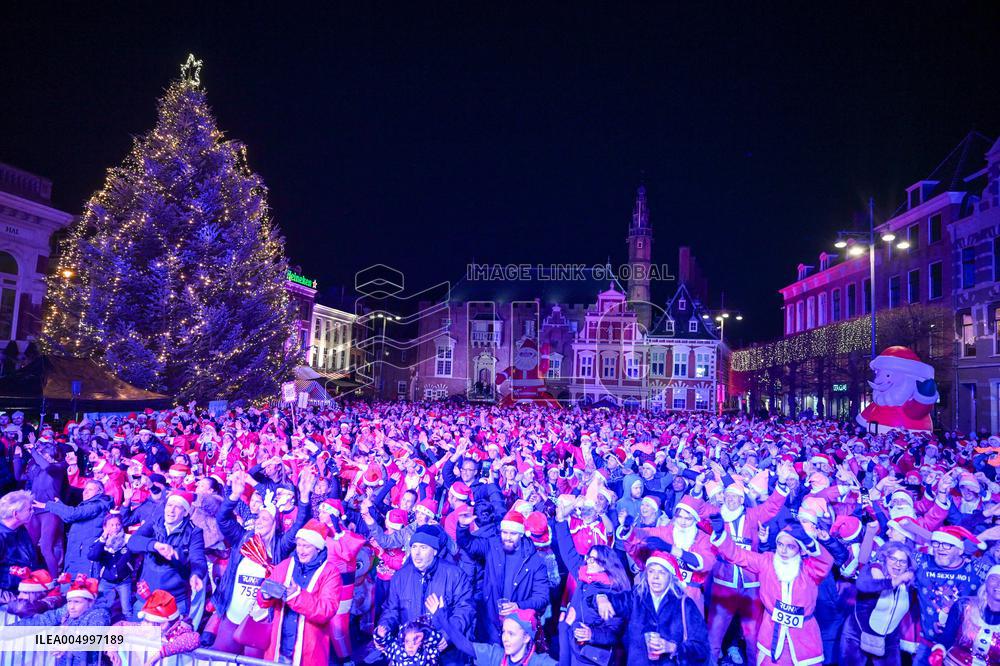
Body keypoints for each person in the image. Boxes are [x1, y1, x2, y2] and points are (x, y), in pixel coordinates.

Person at [710, 520, 833, 666]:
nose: (783, 550)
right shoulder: (767, 561)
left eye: (790, 546)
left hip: (804, 640)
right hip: (771, 636)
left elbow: (826, 562)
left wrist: (810, 543)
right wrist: (721, 535)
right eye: (780, 544)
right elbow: (738, 554)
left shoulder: (809, 569)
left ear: (800, 550)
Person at [378, 524, 475, 666]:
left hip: (445, 652)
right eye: (414, 547)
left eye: (423, 548)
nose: (417, 553)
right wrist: (384, 628)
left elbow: (465, 609)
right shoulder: (400, 576)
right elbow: (391, 610)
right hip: (411, 653)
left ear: (434, 551)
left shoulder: (455, 575)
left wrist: (448, 635)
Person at [456, 509, 551, 642]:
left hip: (516, 625)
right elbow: (469, 544)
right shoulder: (493, 545)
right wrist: (463, 527)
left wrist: (519, 605)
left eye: (513, 533)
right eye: (505, 532)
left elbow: (542, 597)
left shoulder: (535, 561)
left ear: (521, 534)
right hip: (489, 620)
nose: (507, 537)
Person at [256, 519, 342, 666]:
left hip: (308, 653)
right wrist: (265, 595)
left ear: (318, 548)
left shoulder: (330, 572)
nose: (301, 551)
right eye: (299, 545)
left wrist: (296, 596)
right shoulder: (286, 565)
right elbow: (263, 597)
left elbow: (326, 610)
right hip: (279, 649)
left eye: (306, 546)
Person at [127, 489, 207, 618]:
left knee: (169, 631)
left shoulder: (194, 532)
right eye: (169, 505)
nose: (171, 510)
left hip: (174, 599)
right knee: (139, 630)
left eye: (178, 507)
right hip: (146, 595)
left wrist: (196, 574)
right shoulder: (154, 522)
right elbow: (133, 542)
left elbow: (197, 559)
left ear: (185, 512)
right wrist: (155, 545)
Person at [839, 541, 917, 666]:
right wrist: (893, 582)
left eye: (902, 561)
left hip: (888, 641)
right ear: (885, 559)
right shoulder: (873, 571)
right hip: (856, 637)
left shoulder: (909, 586)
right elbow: (862, 585)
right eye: (893, 559)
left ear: (908, 565)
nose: (897, 564)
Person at [626, 551, 709, 666]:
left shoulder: (685, 604)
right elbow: (615, 603)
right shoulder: (636, 598)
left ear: (670, 576)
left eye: (662, 572)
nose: (655, 577)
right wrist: (602, 597)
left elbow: (702, 649)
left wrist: (673, 647)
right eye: (651, 571)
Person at [427, 593, 557, 666]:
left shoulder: (539, 663)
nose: (505, 638)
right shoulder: (496, 656)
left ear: (526, 637)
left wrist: (564, 631)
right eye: (504, 632)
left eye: (511, 634)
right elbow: (463, 644)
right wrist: (441, 617)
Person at [557, 544, 631, 666]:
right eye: (589, 558)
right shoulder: (584, 579)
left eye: (594, 559)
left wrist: (592, 634)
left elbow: (614, 633)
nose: (589, 562)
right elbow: (568, 553)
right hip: (574, 650)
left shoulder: (613, 592)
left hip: (592, 658)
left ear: (605, 564)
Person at [15, 574, 110, 666]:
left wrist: (67, 645)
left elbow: (91, 635)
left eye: (77, 602)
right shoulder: (67, 611)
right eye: (69, 601)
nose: (71, 607)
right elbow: (43, 620)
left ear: (90, 602)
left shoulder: (99, 614)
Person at [39, 478, 113, 578]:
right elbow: (69, 518)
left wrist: (48, 505)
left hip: (85, 554)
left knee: (85, 583)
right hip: (78, 551)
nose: (85, 492)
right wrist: (59, 505)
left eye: (90, 489)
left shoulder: (97, 504)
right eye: (85, 489)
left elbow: (73, 514)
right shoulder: (88, 505)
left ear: (99, 492)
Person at [929, 564, 1000, 666]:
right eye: (994, 578)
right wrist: (939, 651)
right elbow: (947, 637)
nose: (999, 583)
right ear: (986, 582)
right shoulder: (964, 606)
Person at [0, 489, 39, 593]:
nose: (32, 512)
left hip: (26, 587)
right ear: (15, 514)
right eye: (29, 509)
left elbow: (32, 559)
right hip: (7, 592)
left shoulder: (21, 529)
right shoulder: (2, 536)